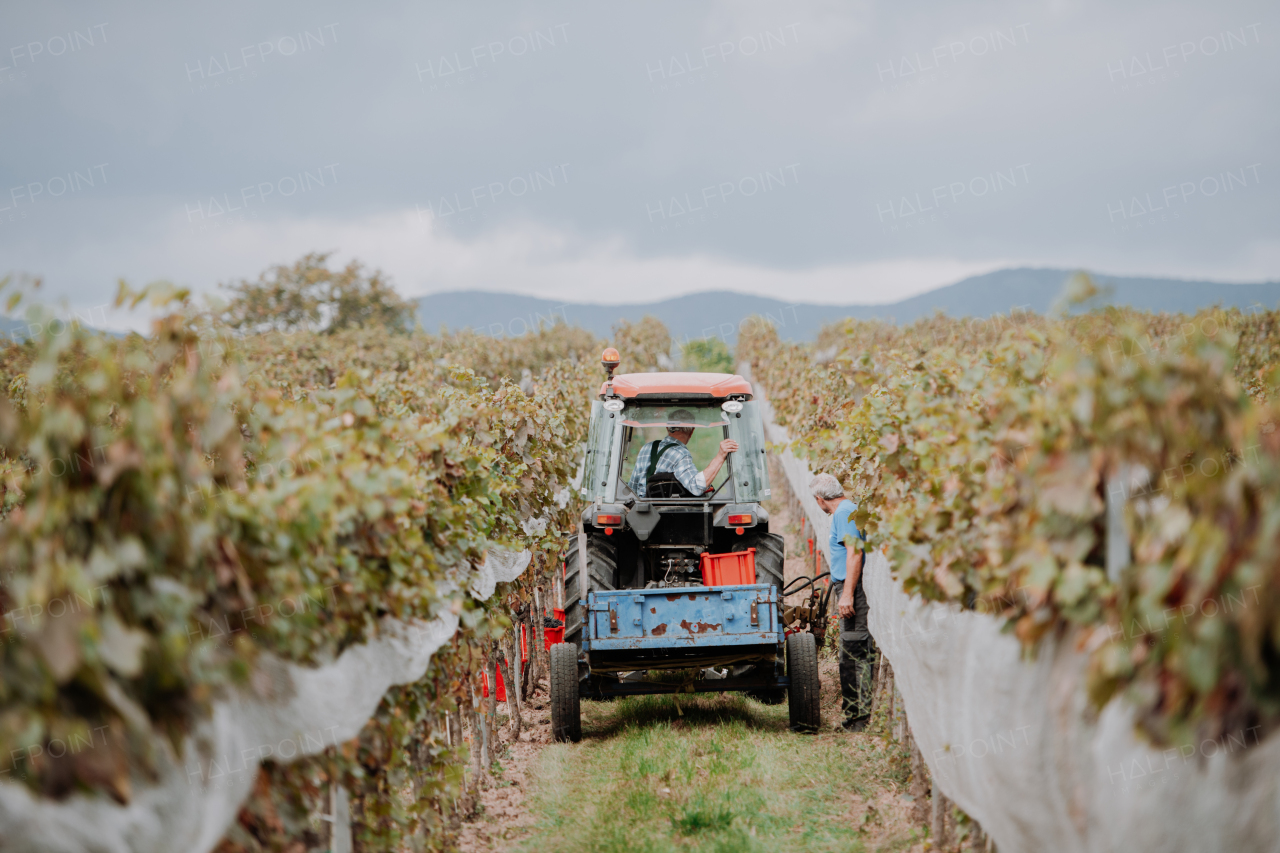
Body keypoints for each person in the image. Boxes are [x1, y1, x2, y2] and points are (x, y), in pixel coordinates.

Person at [811, 472, 872, 731]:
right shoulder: (848, 510)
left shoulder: (843, 513)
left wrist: (847, 594)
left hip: (852, 589)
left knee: (854, 653)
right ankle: (855, 717)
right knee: (850, 652)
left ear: (820, 499)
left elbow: (854, 554)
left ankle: (858, 721)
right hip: (848, 585)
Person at [627, 408, 738, 498]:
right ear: (692, 430)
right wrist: (720, 456)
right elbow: (696, 487)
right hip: (669, 515)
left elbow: (632, 488)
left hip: (641, 514)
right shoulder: (681, 454)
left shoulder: (646, 448)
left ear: (667, 427)